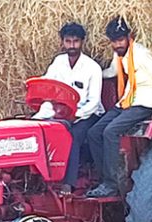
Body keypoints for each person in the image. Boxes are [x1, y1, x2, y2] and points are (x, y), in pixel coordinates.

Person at [86, 17, 152, 197]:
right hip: (127, 102)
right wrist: (92, 73)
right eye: (114, 42)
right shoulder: (120, 56)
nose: (117, 44)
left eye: (120, 40)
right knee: (93, 133)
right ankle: (103, 178)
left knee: (110, 132)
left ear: (128, 37)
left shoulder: (141, 54)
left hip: (143, 102)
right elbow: (112, 73)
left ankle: (112, 183)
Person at [35, 22, 104, 195]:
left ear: (82, 42)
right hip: (61, 112)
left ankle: (68, 183)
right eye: (68, 41)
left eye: (75, 42)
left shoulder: (92, 68)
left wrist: (76, 115)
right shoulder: (58, 63)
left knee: (71, 137)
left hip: (87, 114)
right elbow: (48, 86)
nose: (72, 46)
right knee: (43, 131)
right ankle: (43, 180)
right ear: (62, 42)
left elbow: (94, 102)